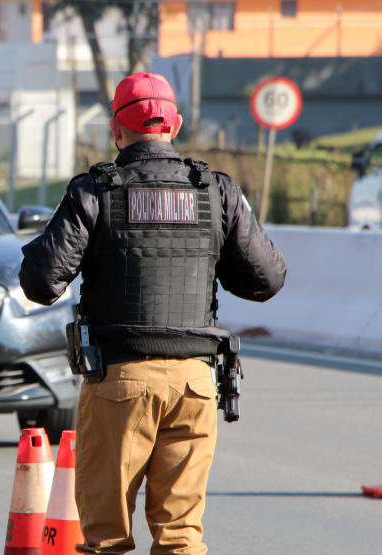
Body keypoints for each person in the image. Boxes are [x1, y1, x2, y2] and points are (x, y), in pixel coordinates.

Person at [18, 72, 287, 554]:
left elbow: (41, 282)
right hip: (195, 385)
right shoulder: (215, 190)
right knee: (181, 536)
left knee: (106, 539)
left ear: (115, 131)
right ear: (175, 125)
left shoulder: (95, 191)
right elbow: (266, 280)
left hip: (120, 383)